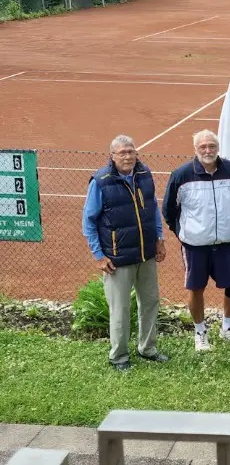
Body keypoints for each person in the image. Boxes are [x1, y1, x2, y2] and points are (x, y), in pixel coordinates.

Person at [82, 135, 168, 371]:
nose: (128, 156)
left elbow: (153, 210)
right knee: (119, 309)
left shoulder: (144, 175)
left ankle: (147, 348)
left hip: (146, 254)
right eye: (122, 153)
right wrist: (99, 255)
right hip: (117, 259)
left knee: (150, 302)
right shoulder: (101, 181)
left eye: (131, 151)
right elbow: (88, 221)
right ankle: (118, 356)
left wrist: (159, 239)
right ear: (112, 156)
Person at [162, 130, 230, 352]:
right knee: (196, 288)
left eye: (211, 146)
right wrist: (183, 231)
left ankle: (228, 328)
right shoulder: (181, 175)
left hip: (226, 243)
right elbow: (169, 210)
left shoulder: (229, 169)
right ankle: (200, 333)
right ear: (195, 149)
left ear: (217, 147)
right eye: (203, 147)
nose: (208, 150)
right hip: (195, 246)